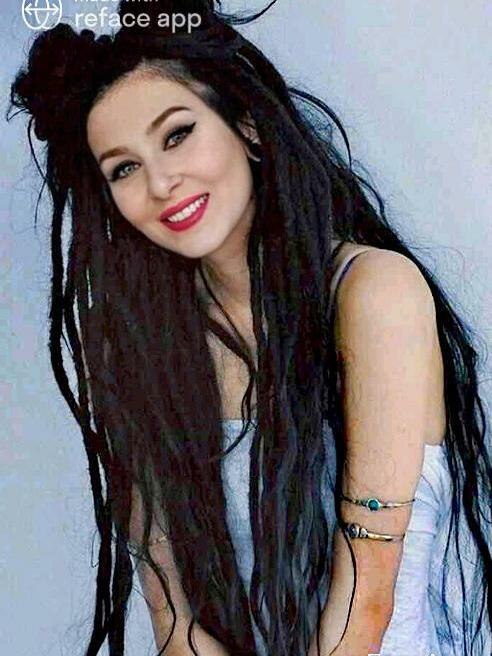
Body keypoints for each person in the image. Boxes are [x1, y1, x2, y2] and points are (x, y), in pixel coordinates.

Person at [7, 1, 491, 655]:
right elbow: (175, 623)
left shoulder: (374, 293)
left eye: (176, 135)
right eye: (124, 168)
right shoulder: (140, 349)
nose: (161, 182)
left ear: (248, 127)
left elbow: (366, 607)